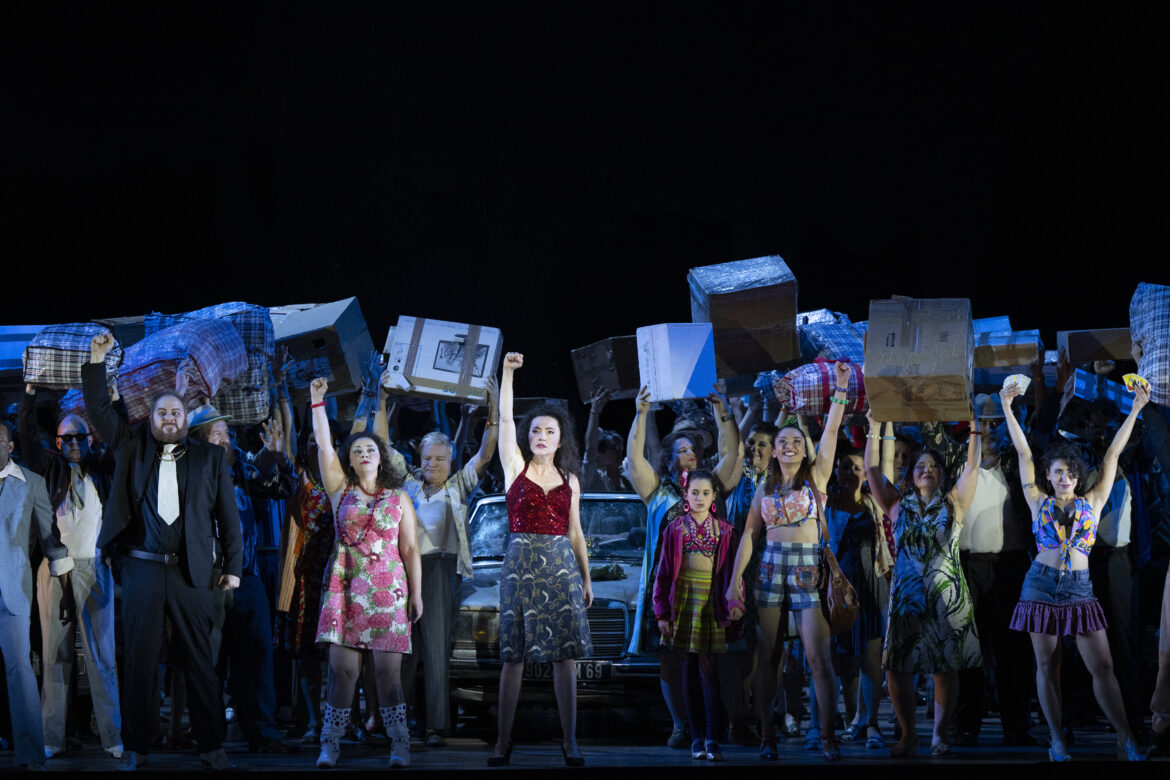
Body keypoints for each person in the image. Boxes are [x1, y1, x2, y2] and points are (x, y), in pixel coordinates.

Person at [82, 332, 242, 772]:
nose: (169, 418)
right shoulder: (131, 447)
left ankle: (212, 744)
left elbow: (228, 518)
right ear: (149, 418)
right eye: (162, 412)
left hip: (192, 572)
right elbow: (99, 411)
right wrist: (97, 361)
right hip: (143, 570)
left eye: (176, 412)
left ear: (186, 418)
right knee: (140, 661)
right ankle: (137, 746)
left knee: (200, 660)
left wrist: (233, 566)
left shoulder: (209, 458)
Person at [1000, 379, 1148, 761]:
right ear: (1048, 476)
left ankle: (1125, 739)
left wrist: (1135, 408)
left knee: (1103, 666)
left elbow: (1113, 455)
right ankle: (1057, 741)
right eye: (1058, 472)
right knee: (1047, 665)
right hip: (1040, 585)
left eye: (1070, 472)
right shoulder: (1037, 501)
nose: (1064, 477)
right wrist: (1007, 408)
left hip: (1080, 587)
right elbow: (1023, 453)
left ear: (1078, 477)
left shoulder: (1092, 502)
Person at [726, 361, 853, 762]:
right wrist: (734, 582)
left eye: (796, 440)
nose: (789, 446)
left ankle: (828, 736)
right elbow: (750, 535)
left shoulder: (816, 477)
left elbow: (830, 431)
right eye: (782, 441)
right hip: (770, 569)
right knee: (768, 657)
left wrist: (840, 389)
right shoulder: (764, 486)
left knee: (818, 657)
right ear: (774, 450)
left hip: (807, 568)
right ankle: (767, 735)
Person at [373, 375, 500, 747]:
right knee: (403, 652)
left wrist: (493, 408)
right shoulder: (409, 484)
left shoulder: (458, 486)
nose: (433, 464)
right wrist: (382, 400)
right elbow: (382, 447)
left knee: (435, 651)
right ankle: (397, 723)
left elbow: (485, 453)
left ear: (450, 460)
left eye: (440, 459)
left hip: (440, 572)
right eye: (427, 458)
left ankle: (436, 726)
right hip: (404, 572)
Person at [309, 377, 423, 769]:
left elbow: (410, 549)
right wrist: (317, 402)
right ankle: (330, 745)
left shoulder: (399, 496)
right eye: (356, 450)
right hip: (345, 588)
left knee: (389, 675)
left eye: (370, 448)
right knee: (342, 672)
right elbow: (324, 445)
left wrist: (416, 594)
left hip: (389, 591)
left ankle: (400, 744)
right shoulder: (340, 489)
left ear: (381, 456)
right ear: (351, 459)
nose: (363, 453)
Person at [488, 353, 592, 767]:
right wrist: (508, 373)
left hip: (560, 568)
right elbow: (505, 419)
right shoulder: (515, 467)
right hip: (520, 567)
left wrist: (586, 578)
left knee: (565, 658)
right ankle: (502, 742)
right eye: (536, 430)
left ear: (560, 440)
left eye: (550, 431)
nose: (542, 436)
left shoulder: (571, 481)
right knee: (513, 657)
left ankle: (570, 741)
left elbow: (575, 532)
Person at [626, 384, 740, 749]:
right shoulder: (658, 492)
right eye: (681, 450)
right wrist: (642, 414)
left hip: (707, 587)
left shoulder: (711, 488)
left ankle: (714, 726)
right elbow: (634, 457)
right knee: (671, 660)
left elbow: (732, 452)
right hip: (668, 588)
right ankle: (680, 724)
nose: (688, 454)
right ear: (670, 458)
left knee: (710, 659)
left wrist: (722, 411)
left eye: (693, 449)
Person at [864, 407, 982, 758]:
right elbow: (872, 470)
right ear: (911, 474)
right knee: (897, 668)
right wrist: (874, 425)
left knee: (944, 668)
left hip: (946, 596)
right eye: (920, 466)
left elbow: (972, 468)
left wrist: (975, 427)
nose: (927, 470)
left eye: (933, 466)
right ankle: (908, 734)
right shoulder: (897, 505)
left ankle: (939, 735)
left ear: (942, 474)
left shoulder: (954, 503)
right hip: (907, 597)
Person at [18, 385, 122, 759]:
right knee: (55, 657)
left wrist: (114, 402)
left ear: (90, 440)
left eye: (81, 437)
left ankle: (113, 737)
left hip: (95, 567)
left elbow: (120, 437)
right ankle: (51, 738)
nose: (75, 443)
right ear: (59, 443)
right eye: (68, 438)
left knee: (102, 657)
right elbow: (28, 439)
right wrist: (29, 396)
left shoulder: (103, 470)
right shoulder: (50, 468)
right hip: (56, 569)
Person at [187, 405, 298, 754]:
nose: (226, 440)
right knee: (211, 661)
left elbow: (284, 487)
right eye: (217, 435)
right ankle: (210, 737)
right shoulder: (187, 474)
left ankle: (262, 732)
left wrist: (279, 459)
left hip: (247, 578)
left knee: (258, 656)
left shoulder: (243, 472)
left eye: (228, 434)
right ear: (199, 441)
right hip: (207, 580)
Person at [652, 469, 740, 761]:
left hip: (710, 604)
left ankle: (713, 738)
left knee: (709, 670)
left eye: (705, 493)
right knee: (688, 670)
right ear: (685, 495)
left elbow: (732, 574)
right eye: (694, 493)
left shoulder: (724, 531)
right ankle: (696, 738)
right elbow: (663, 573)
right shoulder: (675, 529)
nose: (700, 498)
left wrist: (734, 603)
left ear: (714, 496)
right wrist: (662, 612)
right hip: (683, 603)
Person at [0, 419, 71, 771]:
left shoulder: (32, 483)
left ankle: (30, 753)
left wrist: (65, 586)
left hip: (12, 590)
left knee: (20, 670)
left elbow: (49, 536)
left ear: (10, 445)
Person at [826, 446, 891, 750]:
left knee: (870, 658)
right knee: (842, 659)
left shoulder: (874, 503)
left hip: (872, 584)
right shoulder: (826, 504)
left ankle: (872, 722)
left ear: (865, 475)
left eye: (856, 467)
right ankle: (853, 717)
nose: (850, 472)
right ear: (835, 471)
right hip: (838, 588)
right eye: (844, 466)